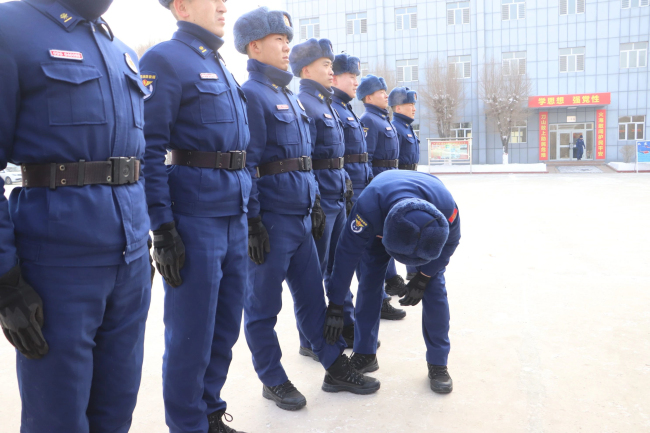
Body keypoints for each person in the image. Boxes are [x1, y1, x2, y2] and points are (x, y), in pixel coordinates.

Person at [0, 0, 153, 431]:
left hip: (130, 263)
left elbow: (134, 161)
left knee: (117, 408)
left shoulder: (120, 50)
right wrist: (5, 281)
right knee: (58, 417)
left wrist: (144, 239)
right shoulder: (10, 28)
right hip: (58, 269)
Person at [234, 7, 380, 412]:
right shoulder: (252, 94)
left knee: (313, 298)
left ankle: (334, 366)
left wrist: (314, 202)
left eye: (287, 40)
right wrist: (253, 221)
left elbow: (305, 161)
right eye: (278, 40)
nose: (286, 47)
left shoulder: (286, 96)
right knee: (262, 307)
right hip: (272, 220)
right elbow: (247, 163)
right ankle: (272, 378)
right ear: (254, 47)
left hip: (301, 215)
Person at [141, 0, 250, 431]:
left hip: (234, 214)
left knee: (225, 328)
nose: (223, 5)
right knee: (191, 335)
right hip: (195, 218)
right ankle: (188, 425)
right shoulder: (164, 60)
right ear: (182, 6)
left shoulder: (219, 63)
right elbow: (149, 150)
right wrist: (162, 228)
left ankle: (210, 413)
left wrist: (252, 215)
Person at [324, 170, 461, 394]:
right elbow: (345, 255)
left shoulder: (446, 210)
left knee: (435, 288)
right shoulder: (368, 209)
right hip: (382, 215)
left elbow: (451, 244)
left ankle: (438, 363)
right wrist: (336, 303)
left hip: (425, 225)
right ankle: (364, 353)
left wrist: (424, 276)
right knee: (369, 280)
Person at [290, 39, 357, 360]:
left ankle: (341, 325)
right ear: (306, 70)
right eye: (326, 65)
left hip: (336, 195)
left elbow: (336, 155)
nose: (332, 71)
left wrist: (345, 184)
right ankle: (310, 339)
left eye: (332, 65)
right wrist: (315, 200)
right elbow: (306, 160)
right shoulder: (305, 104)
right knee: (313, 273)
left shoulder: (325, 103)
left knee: (338, 265)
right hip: (321, 201)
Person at [357, 75, 407, 319]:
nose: (386, 95)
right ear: (368, 97)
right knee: (374, 245)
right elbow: (366, 158)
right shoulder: (368, 120)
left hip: (389, 184)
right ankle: (380, 299)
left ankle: (390, 282)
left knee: (385, 240)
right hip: (379, 186)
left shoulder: (382, 119)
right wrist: (373, 189)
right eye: (381, 92)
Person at [389, 86, 421, 281]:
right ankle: (392, 276)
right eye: (410, 104)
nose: (414, 108)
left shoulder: (407, 127)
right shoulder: (395, 128)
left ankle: (413, 269)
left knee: (414, 225)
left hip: (412, 180)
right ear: (398, 107)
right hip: (401, 183)